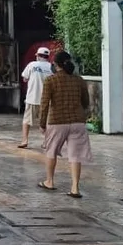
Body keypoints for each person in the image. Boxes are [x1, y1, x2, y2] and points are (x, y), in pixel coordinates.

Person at [38, 51, 93, 199]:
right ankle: (75, 188)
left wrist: (42, 123)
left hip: (57, 121)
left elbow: (44, 104)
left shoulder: (50, 81)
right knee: (75, 155)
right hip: (78, 122)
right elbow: (86, 102)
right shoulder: (79, 80)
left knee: (51, 152)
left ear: (55, 65)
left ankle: (49, 181)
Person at [19, 47, 53, 149]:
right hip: (47, 100)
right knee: (47, 122)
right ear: (47, 57)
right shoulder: (52, 67)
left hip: (32, 98)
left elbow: (25, 78)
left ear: (38, 56)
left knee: (27, 121)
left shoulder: (32, 65)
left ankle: (25, 140)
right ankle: (46, 142)